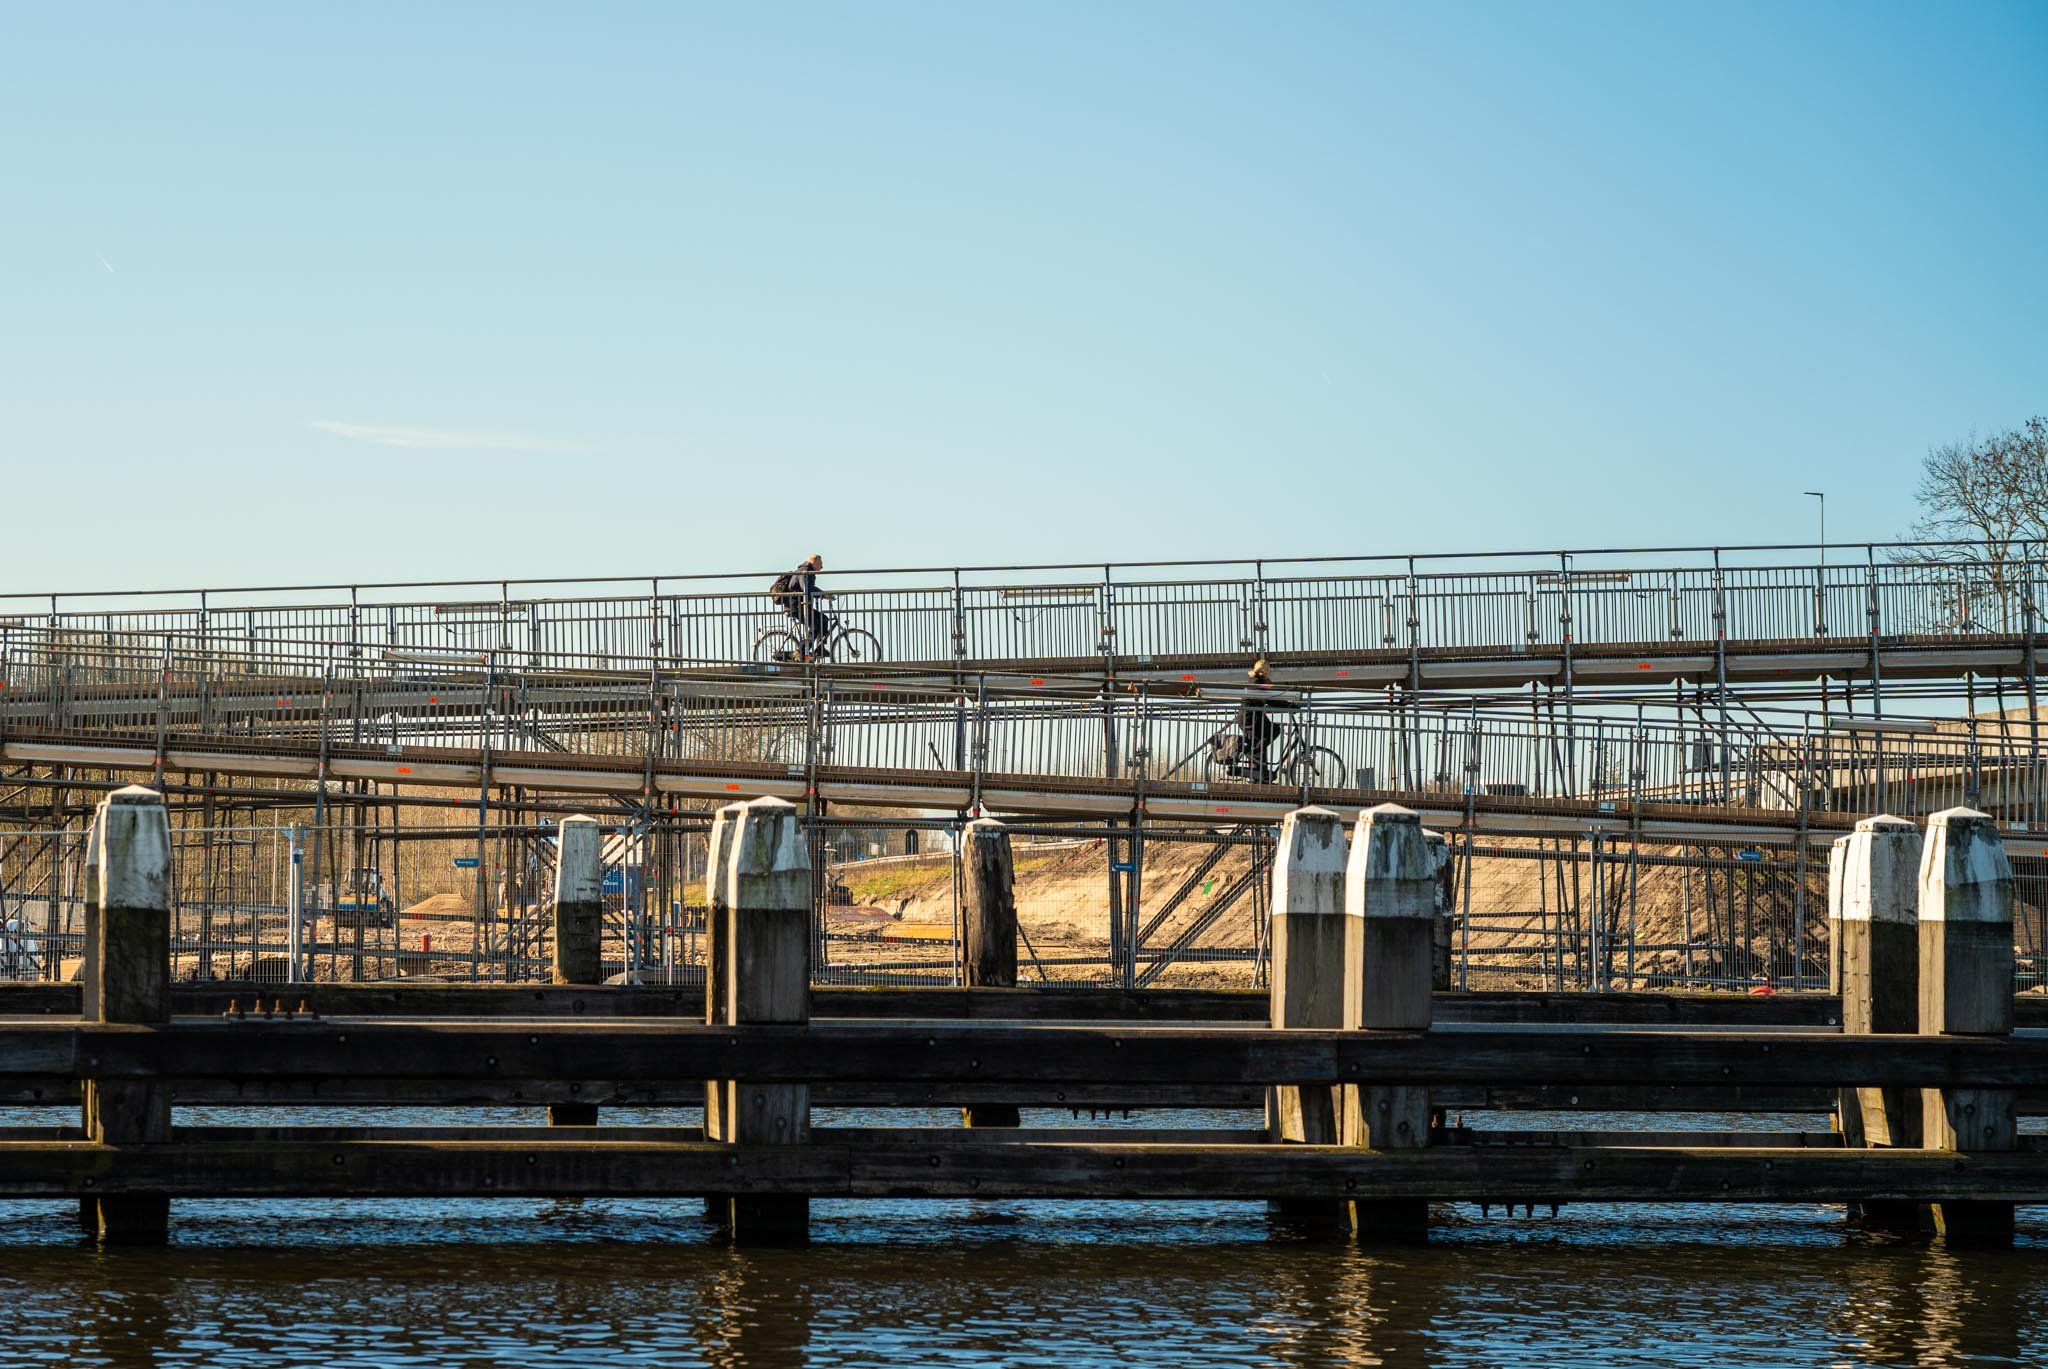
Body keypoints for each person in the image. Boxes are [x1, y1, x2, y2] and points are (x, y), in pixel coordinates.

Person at [1235, 658, 1298, 784]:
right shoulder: (1258, 681)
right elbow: (1272, 698)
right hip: (1250, 716)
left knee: (1261, 741)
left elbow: (1270, 698)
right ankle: (1253, 753)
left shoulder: (1256, 680)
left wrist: (1287, 705)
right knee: (1273, 730)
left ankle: (1260, 776)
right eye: (1268, 669)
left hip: (1250, 715)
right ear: (1263, 670)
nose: (1269, 672)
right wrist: (1289, 706)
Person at [769, 554, 835, 659]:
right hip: (796, 607)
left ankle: (820, 648)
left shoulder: (806, 571)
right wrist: (823, 594)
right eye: (820, 564)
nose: (822, 567)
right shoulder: (804, 572)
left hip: (801, 606)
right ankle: (800, 651)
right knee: (816, 625)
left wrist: (822, 594)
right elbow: (806, 587)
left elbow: (809, 588)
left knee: (824, 619)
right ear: (814, 562)